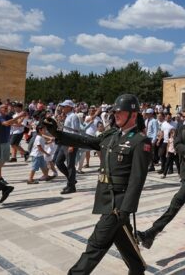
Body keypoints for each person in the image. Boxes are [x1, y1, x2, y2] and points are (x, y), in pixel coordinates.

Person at [45, 94, 151, 274]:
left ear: (133, 115)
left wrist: (126, 209)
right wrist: (59, 134)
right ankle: (138, 269)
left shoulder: (140, 142)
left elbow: (137, 179)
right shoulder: (111, 136)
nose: (115, 115)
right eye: (115, 112)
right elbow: (87, 141)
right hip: (105, 198)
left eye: (120, 112)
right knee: (123, 240)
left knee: (96, 244)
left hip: (118, 204)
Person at [136, 96, 185, 249]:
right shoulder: (182, 126)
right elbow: (176, 144)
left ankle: (152, 232)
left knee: (178, 199)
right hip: (184, 169)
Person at [56, 100, 81, 194]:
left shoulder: (74, 116)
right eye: (62, 106)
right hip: (65, 143)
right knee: (58, 162)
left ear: (70, 107)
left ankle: (71, 186)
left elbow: (75, 132)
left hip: (70, 143)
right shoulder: (68, 116)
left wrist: (72, 145)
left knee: (70, 165)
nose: (62, 108)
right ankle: (71, 179)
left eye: (64, 106)